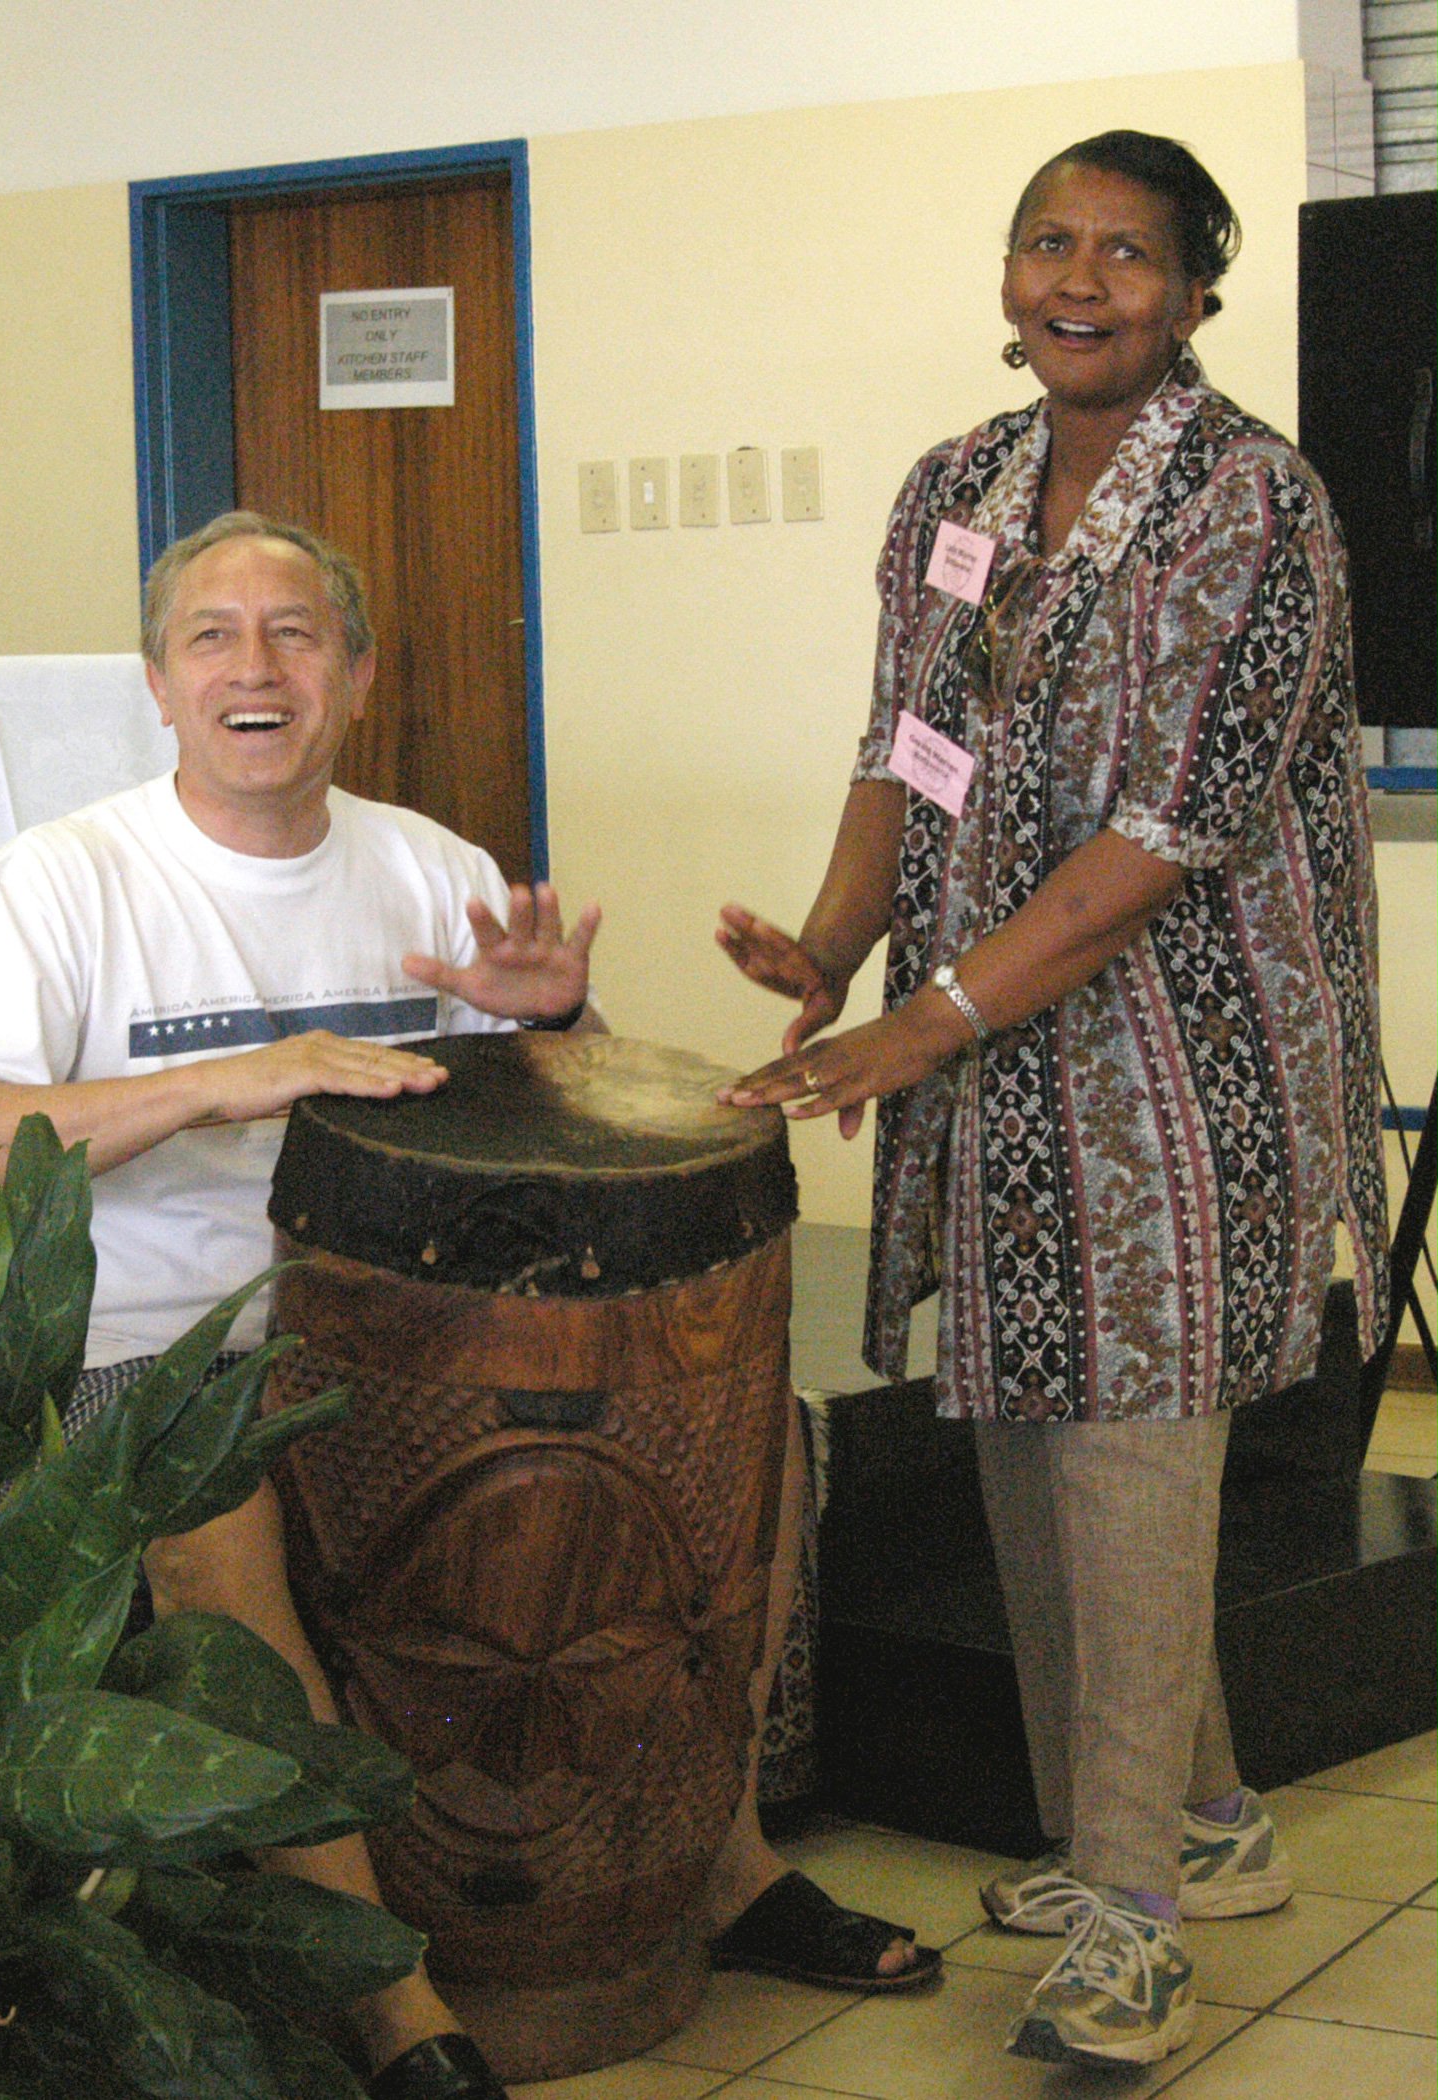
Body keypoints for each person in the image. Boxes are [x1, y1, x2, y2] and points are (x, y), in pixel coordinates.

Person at [0, 511, 933, 2100]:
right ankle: (388, 2001)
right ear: (158, 686)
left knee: (756, 1445)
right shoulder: (64, 883)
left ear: (355, 676)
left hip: (431, 1339)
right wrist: (227, 1080)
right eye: (213, 637)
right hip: (171, 1346)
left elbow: (562, 1138)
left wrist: (554, 1024)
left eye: (294, 633)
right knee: (214, 1511)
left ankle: (726, 1869)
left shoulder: (425, 863)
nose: (255, 665)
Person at [717, 131, 1387, 2070]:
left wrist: (912, 1025)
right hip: (979, 1045)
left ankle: (1131, 1920)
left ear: (1193, 294)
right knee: (1028, 1426)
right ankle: (1196, 1821)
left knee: (1129, 1449)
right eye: (1044, 242)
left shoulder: (1255, 504)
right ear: (1006, 276)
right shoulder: (956, 485)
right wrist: (835, 947)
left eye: (1123, 251)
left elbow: (1164, 832)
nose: (1074, 279)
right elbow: (904, 747)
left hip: (1190, 1061)